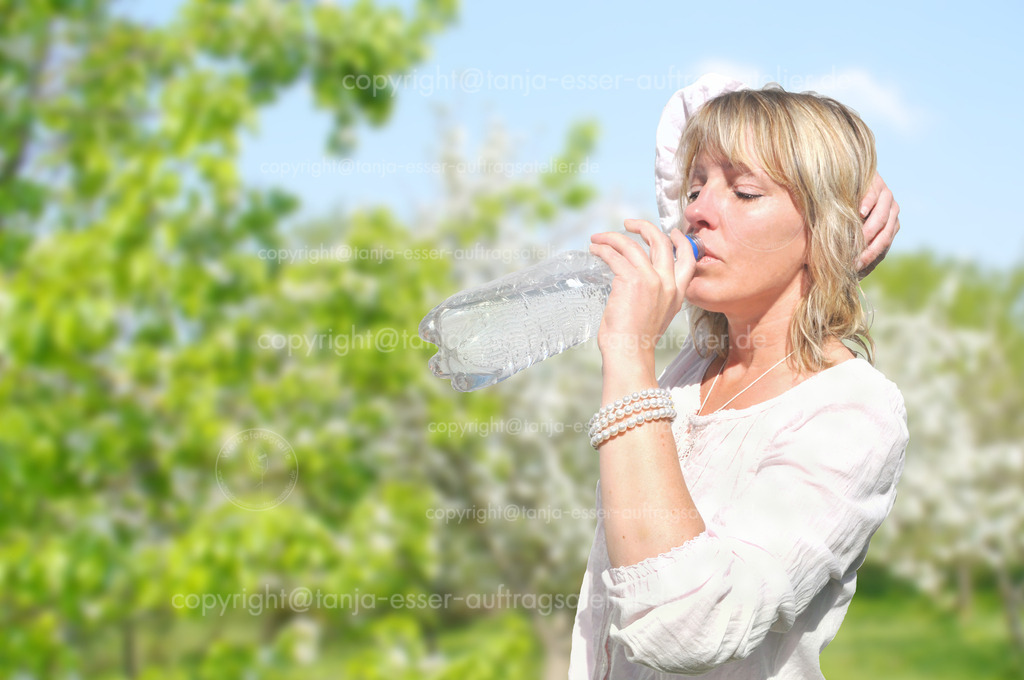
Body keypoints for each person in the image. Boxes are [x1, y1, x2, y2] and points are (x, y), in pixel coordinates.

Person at [568, 79, 908, 679]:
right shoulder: (694, 371)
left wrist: (626, 356)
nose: (696, 209)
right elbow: (689, 112)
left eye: (746, 191)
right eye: (696, 186)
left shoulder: (853, 412)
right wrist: (817, 154)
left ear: (824, 225)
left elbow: (687, 628)